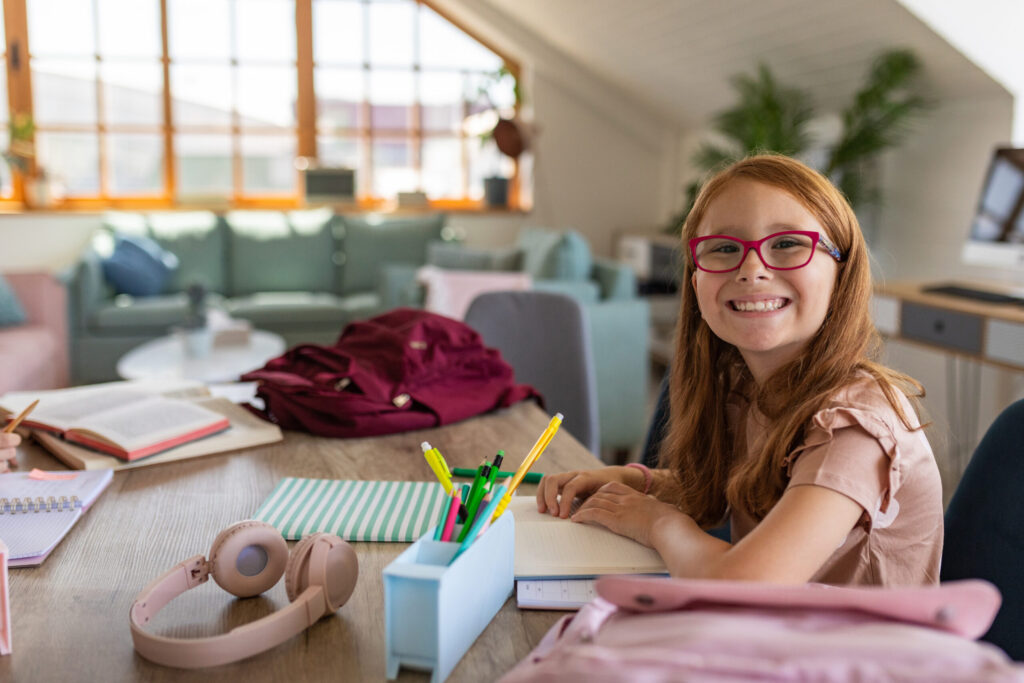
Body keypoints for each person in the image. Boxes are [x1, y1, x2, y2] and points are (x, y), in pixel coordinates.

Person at [537, 154, 943, 586]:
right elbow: (743, 486)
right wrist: (636, 481)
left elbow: (745, 585)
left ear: (841, 272)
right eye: (725, 248)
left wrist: (657, 522)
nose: (753, 270)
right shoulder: (744, 385)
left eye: (787, 244)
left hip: (854, 651)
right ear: (696, 282)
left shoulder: (855, 427)